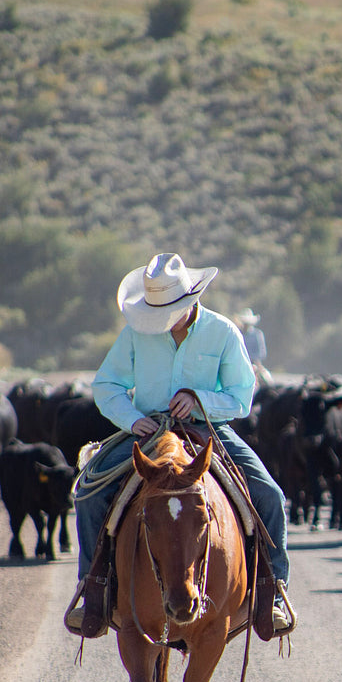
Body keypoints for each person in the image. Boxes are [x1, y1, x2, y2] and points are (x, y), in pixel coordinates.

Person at [64, 252, 292, 637]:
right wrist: (133, 419)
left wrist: (200, 399)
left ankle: (272, 593)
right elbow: (106, 385)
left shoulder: (222, 332)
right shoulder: (137, 332)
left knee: (269, 495)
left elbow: (241, 396)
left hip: (209, 429)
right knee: (88, 493)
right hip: (147, 431)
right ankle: (94, 590)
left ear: (190, 300)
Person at [235, 308, 271, 384]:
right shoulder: (237, 332)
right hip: (239, 361)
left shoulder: (257, 334)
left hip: (254, 362)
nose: (246, 325)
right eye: (245, 323)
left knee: (267, 380)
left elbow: (261, 352)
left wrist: (250, 358)